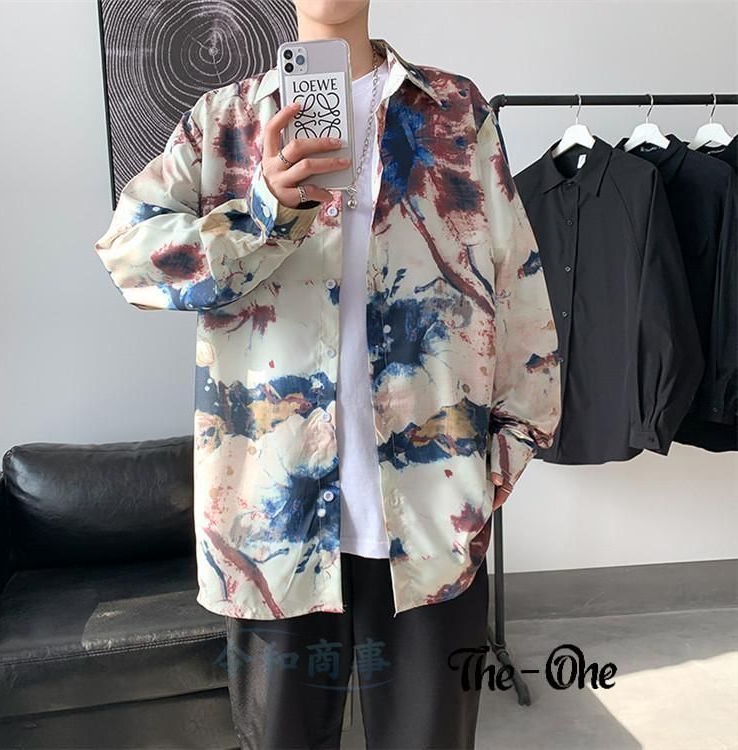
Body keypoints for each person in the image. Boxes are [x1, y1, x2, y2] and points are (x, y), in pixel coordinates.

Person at [94, 2, 561, 747]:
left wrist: (501, 459)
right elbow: (129, 259)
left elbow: (517, 287)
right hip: (272, 533)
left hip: (432, 522)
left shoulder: (454, 111)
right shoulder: (225, 122)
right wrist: (263, 213)